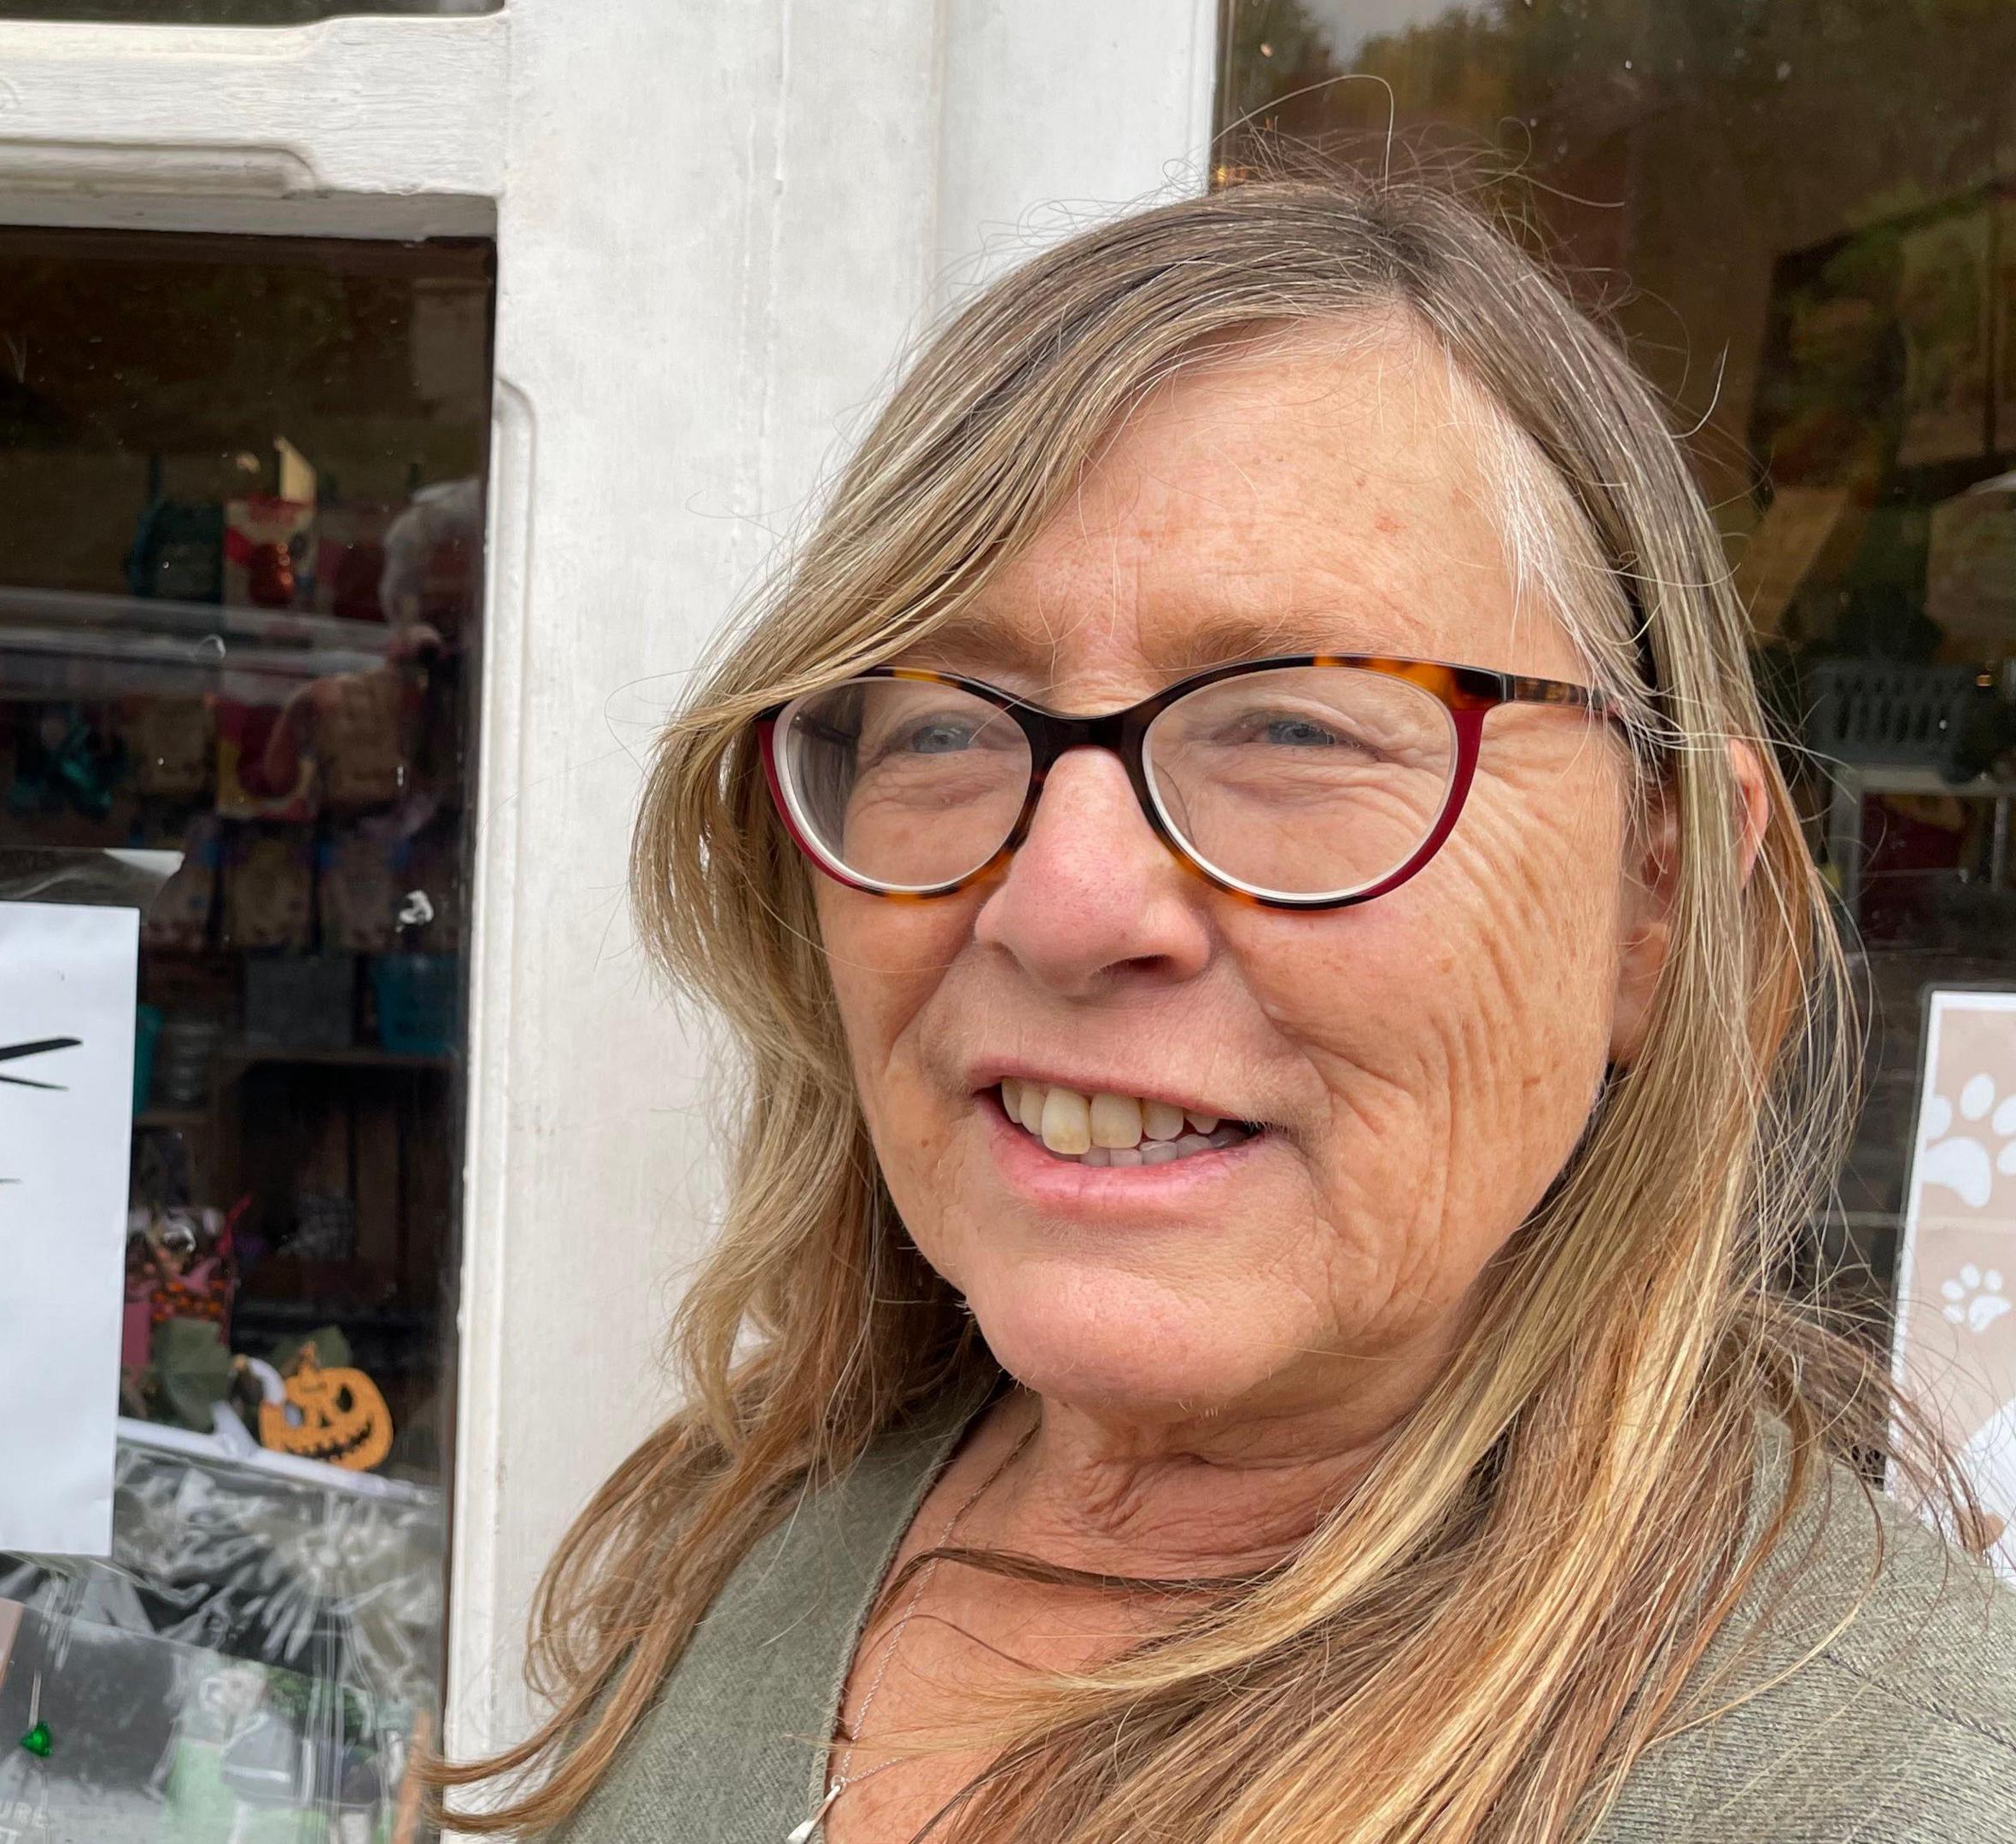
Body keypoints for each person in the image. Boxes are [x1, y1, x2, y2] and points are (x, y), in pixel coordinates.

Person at [429, 172, 2016, 1842]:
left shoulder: (1891, 1791)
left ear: (1662, 893)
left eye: (1297, 729)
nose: (1063, 903)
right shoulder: (777, 1504)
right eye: (943, 726)